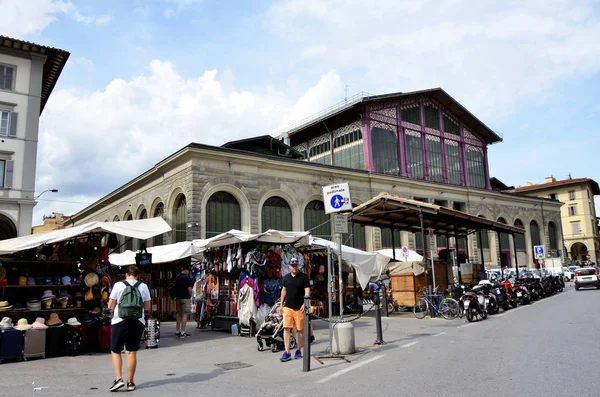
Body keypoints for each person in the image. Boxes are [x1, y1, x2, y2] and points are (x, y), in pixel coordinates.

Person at [107, 265, 151, 392]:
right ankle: (130, 382)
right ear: (138, 275)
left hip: (119, 321)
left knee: (115, 350)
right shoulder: (143, 286)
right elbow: (148, 306)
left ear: (126, 274)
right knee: (131, 351)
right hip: (137, 321)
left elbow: (110, 305)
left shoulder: (118, 285)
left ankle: (118, 379)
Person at [277, 257, 310, 362]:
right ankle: (287, 352)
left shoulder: (304, 277)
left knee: (300, 330)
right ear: (289, 266)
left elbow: (307, 290)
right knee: (286, 329)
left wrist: (305, 303)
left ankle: (298, 350)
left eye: (296, 265)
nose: (294, 267)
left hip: (299, 308)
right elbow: (284, 290)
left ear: (298, 265)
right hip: (288, 307)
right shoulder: (286, 277)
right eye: (293, 265)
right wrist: (281, 305)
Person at [174, 267, 193, 338]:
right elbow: (189, 289)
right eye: (188, 270)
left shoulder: (177, 277)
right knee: (185, 315)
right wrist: (191, 296)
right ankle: (182, 332)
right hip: (185, 298)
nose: (188, 272)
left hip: (178, 298)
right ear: (185, 270)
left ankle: (177, 331)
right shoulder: (187, 278)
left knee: (179, 314)